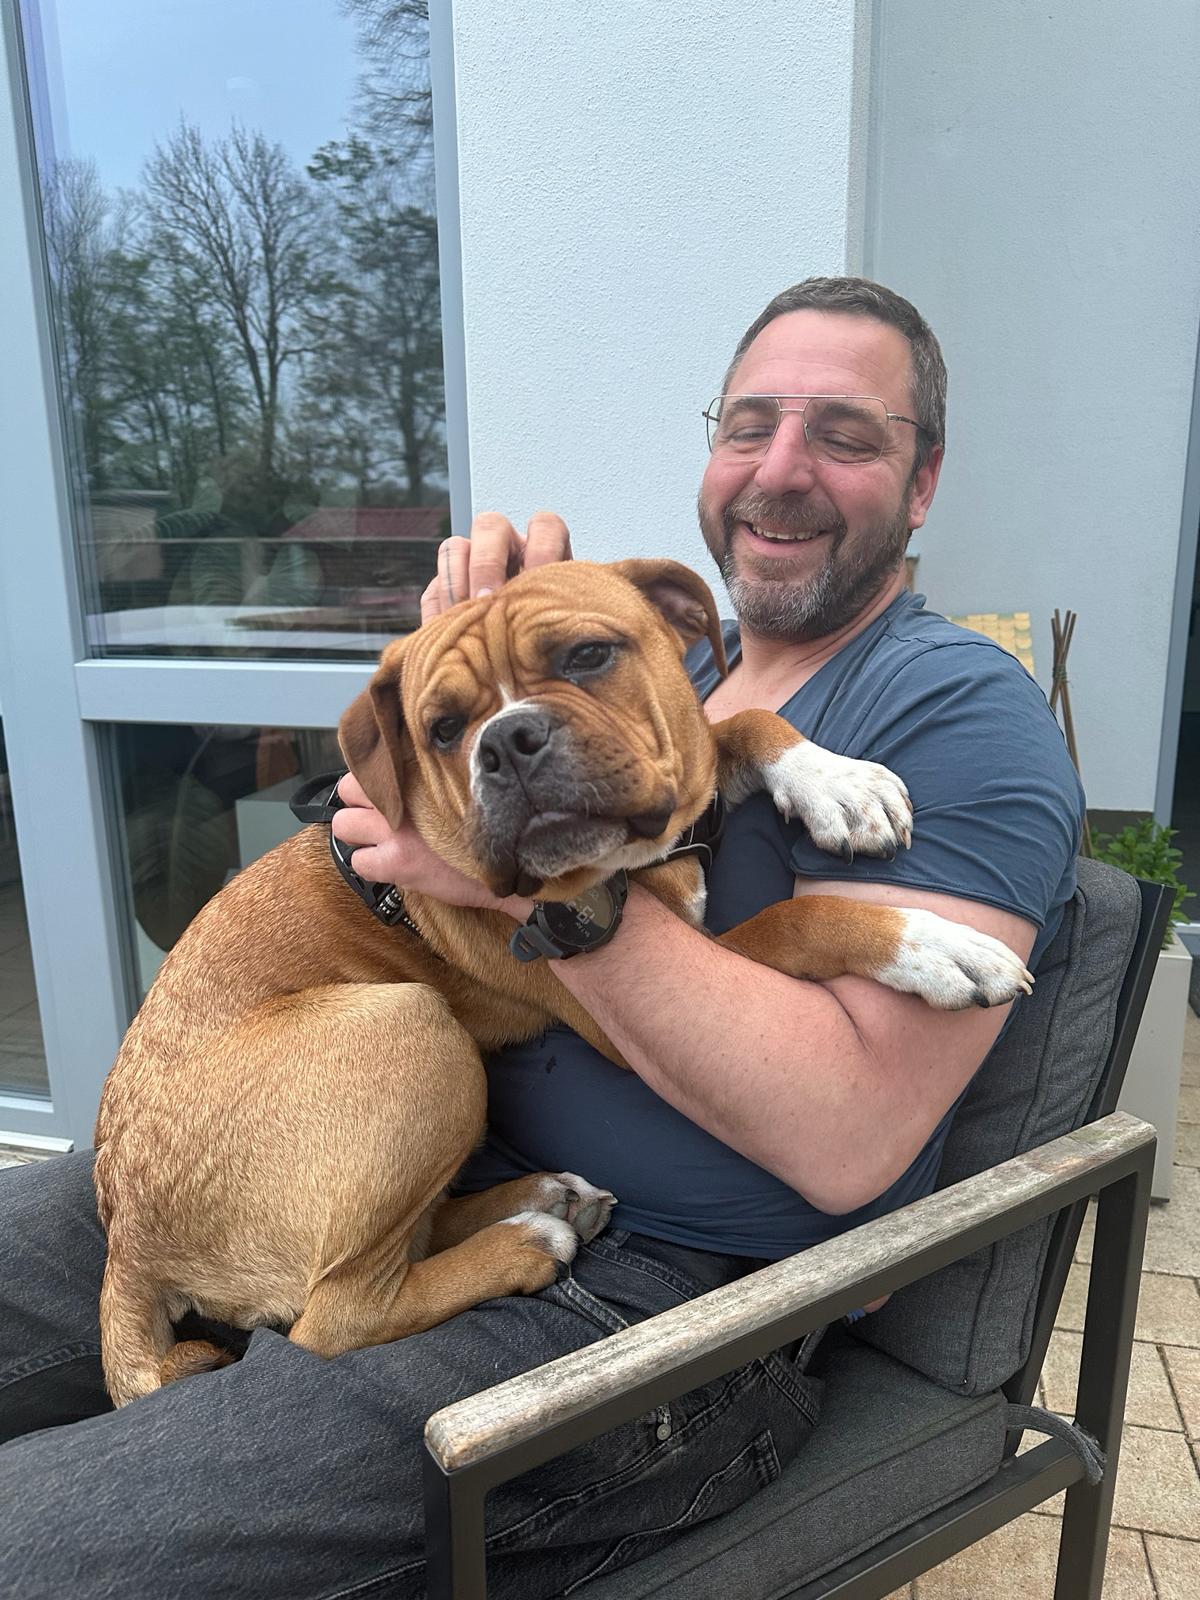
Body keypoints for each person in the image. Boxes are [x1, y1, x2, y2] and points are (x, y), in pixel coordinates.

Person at [0, 278, 1084, 1599]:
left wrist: (501, 883)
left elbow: (849, 1136)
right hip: (306, 1143)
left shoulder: (952, 707)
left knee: (31, 1552)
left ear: (924, 482)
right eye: (748, 427)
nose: (781, 468)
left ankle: (338, 1306)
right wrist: (449, 687)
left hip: (644, 1305)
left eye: (845, 435)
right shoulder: (670, 659)